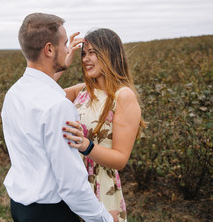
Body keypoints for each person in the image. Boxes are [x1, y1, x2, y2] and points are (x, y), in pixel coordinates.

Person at [1, 13, 113, 222]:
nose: (69, 49)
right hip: (50, 213)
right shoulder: (58, 107)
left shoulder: (14, 93)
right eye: (64, 44)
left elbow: (41, 88)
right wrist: (103, 218)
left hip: (19, 207)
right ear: (50, 49)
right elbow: (71, 183)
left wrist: (60, 64)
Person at [58, 28, 147, 222]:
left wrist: (85, 145)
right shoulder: (83, 90)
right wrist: (62, 65)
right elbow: (43, 94)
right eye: (83, 54)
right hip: (73, 182)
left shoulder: (124, 96)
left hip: (99, 187)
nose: (85, 59)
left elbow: (120, 159)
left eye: (93, 53)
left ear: (110, 55)